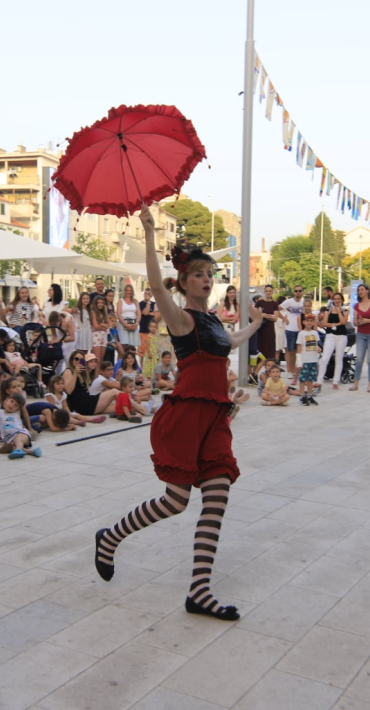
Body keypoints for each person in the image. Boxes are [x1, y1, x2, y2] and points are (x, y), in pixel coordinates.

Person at [94, 207, 263, 622]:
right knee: (175, 501)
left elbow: (230, 340)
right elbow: (153, 282)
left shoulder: (212, 320)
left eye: (210, 274)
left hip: (215, 418)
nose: (207, 279)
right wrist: (150, 234)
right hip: (186, 416)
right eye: (199, 274)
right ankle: (110, 537)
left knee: (218, 495)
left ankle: (199, 591)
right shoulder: (182, 317)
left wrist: (256, 323)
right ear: (185, 281)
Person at [315, 292, 349, 389]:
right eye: (335, 299)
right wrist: (335, 324)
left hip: (341, 337)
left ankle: (335, 381)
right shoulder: (328, 310)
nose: (337, 301)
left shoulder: (345, 311)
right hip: (330, 336)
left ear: (342, 300)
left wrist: (339, 312)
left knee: (338, 359)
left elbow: (343, 322)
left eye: (339, 299)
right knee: (325, 358)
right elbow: (325, 323)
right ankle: (319, 380)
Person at [294, 313, 322, 405]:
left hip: (313, 359)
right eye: (307, 321)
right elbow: (299, 347)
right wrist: (299, 360)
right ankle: (302, 396)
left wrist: (318, 348)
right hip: (305, 359)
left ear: (314, 322)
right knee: (303, 379)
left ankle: (310, 396)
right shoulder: (301, 333)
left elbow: (316, 343)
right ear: (304, 322)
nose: (309, 323)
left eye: (311, 321)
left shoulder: (315, 333)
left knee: (311, 379)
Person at [279, 285, 306, 377]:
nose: (298, 292)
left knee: (297, 351)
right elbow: (277, 308)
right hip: (290, 329)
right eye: (296, 291)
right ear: (293, 292)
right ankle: (289, 371)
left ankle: (295, 371)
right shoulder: (288, 302)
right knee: (289, 351)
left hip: (300, 329)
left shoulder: (304, 302)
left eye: (299, 291)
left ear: (302, 292)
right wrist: (283, 318)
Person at [252, 285, 280, 364]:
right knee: (259, 348)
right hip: (260, 329)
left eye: (270, 291)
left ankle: (270, 366)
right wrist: (263, 315)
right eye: (267, 291)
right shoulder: (259, 303)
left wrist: (267, 316)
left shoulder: (274, 304)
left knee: (269, 349)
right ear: (264, 292)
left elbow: (275, 318)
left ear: (272, 292)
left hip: (269, 329)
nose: (268, 292)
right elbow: (254, 315)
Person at [116, 283, 141, 349]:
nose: (129, 292)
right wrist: (126, 325)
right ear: (125, 291)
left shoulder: (135, 301)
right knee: (123, 346)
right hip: (123, 323)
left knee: (132, 346)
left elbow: (138, 314)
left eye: (130, 290)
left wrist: (136, 324)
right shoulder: (121, 301)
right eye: (127, 290)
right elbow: (118, 314)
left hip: (133, 324)